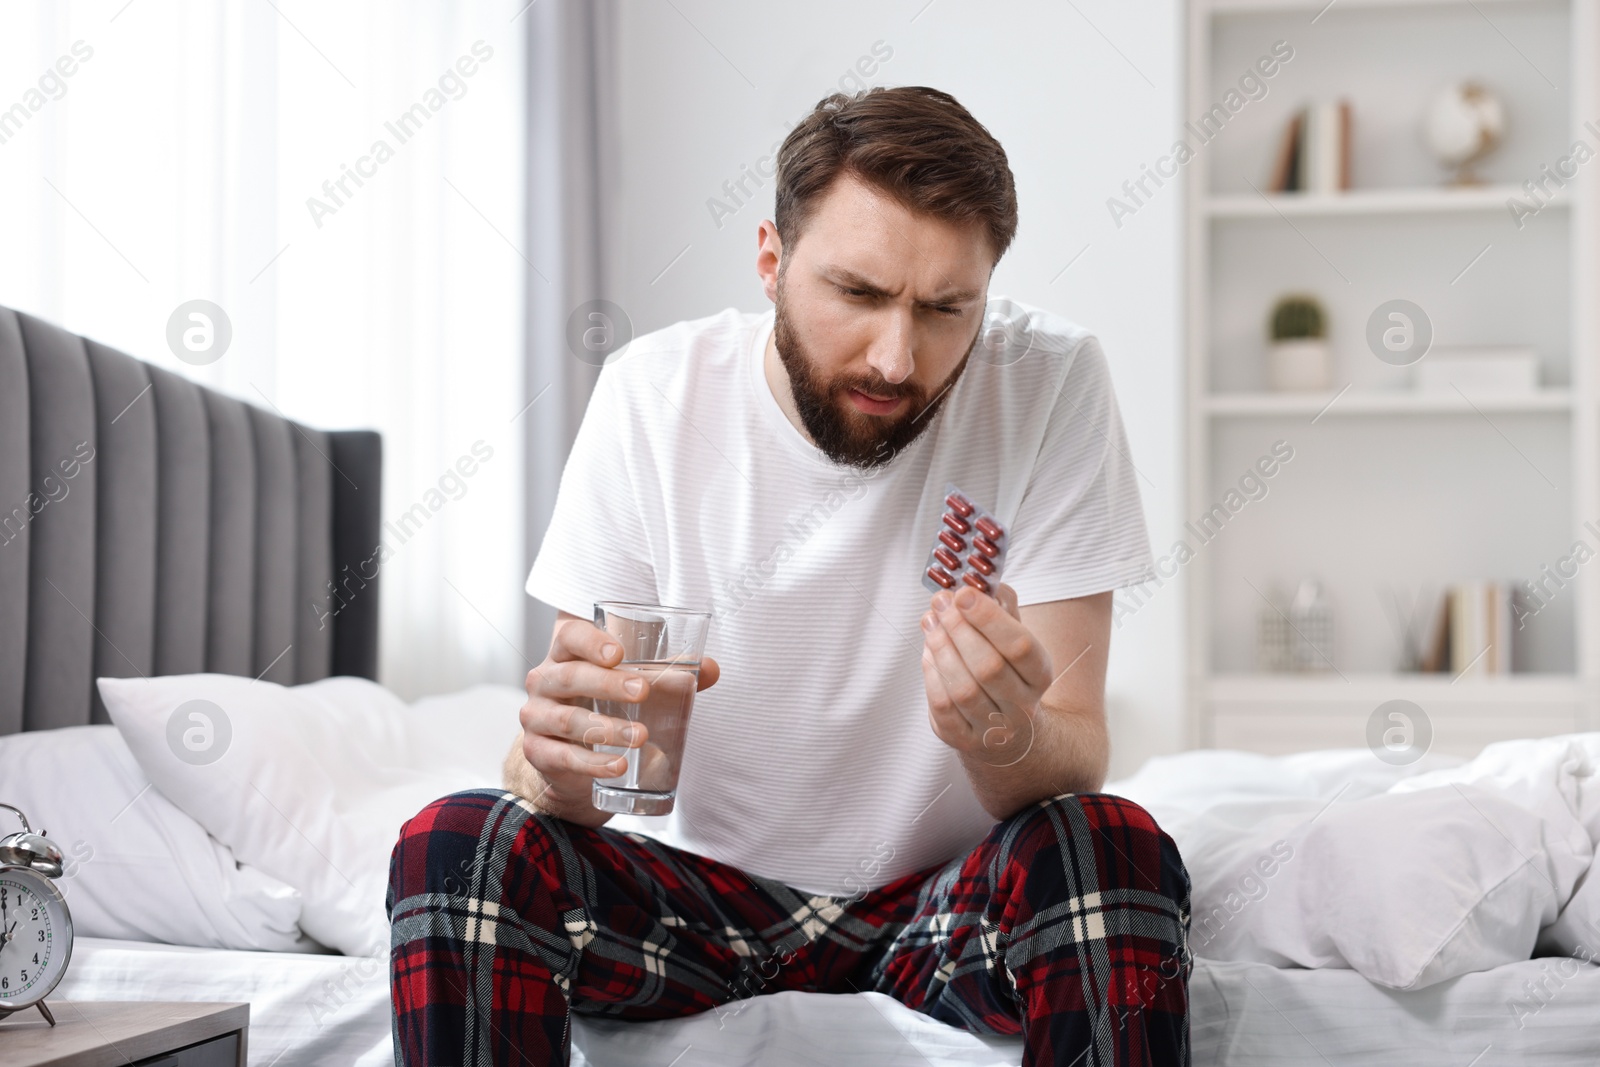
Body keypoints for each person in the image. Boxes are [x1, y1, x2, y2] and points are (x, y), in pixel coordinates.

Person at [388, 85, 1191, 1067]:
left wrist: (1006, 733)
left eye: (947, 309)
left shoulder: (1049, 380)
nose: (898, 357)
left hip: (936, 907)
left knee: (1109, 842)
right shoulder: (652, 394)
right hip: (695, 906)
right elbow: (589, 755)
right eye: (857, 293)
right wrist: (551, 768)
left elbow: (1074, 756)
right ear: (770, 259)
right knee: (459, 840)